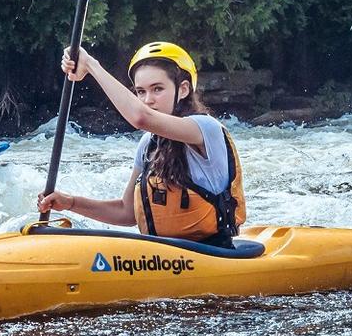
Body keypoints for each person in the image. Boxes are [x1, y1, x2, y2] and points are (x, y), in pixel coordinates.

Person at [36, 41, 247, 244]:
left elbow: (140, 118)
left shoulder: (206, 129)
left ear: (182, 90)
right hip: (160, 256)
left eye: (157, 89)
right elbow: (127, 212)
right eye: (140, 92)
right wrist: (71, 203)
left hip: (214, 253)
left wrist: (91, 65)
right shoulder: (149, 144)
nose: (147, 100)